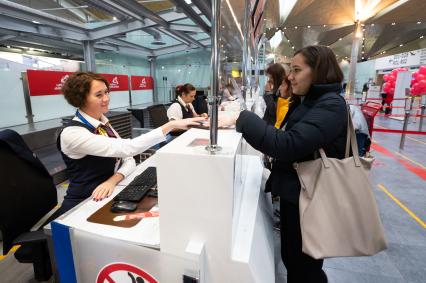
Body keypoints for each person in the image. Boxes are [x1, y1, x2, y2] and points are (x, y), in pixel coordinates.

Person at [222, 45, 348, 282]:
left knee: (305, 267)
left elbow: (288, 144)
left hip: (313, 197)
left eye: (297, 70)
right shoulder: (307, 101)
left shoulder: (331, 105)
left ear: (318, 71)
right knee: (293, 258)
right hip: (299, 195)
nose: (290, 76)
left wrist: (242, 117)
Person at [57, 72, 204, 214]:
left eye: (107, 92)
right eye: (99, 95)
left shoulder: (103, 123)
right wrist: (171, 125)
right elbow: (128, 149)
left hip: (108, 195)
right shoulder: (73, 133)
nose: (106, 98)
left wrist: (112, 180)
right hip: (82, 204)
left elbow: (128, 159)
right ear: (80, 99)